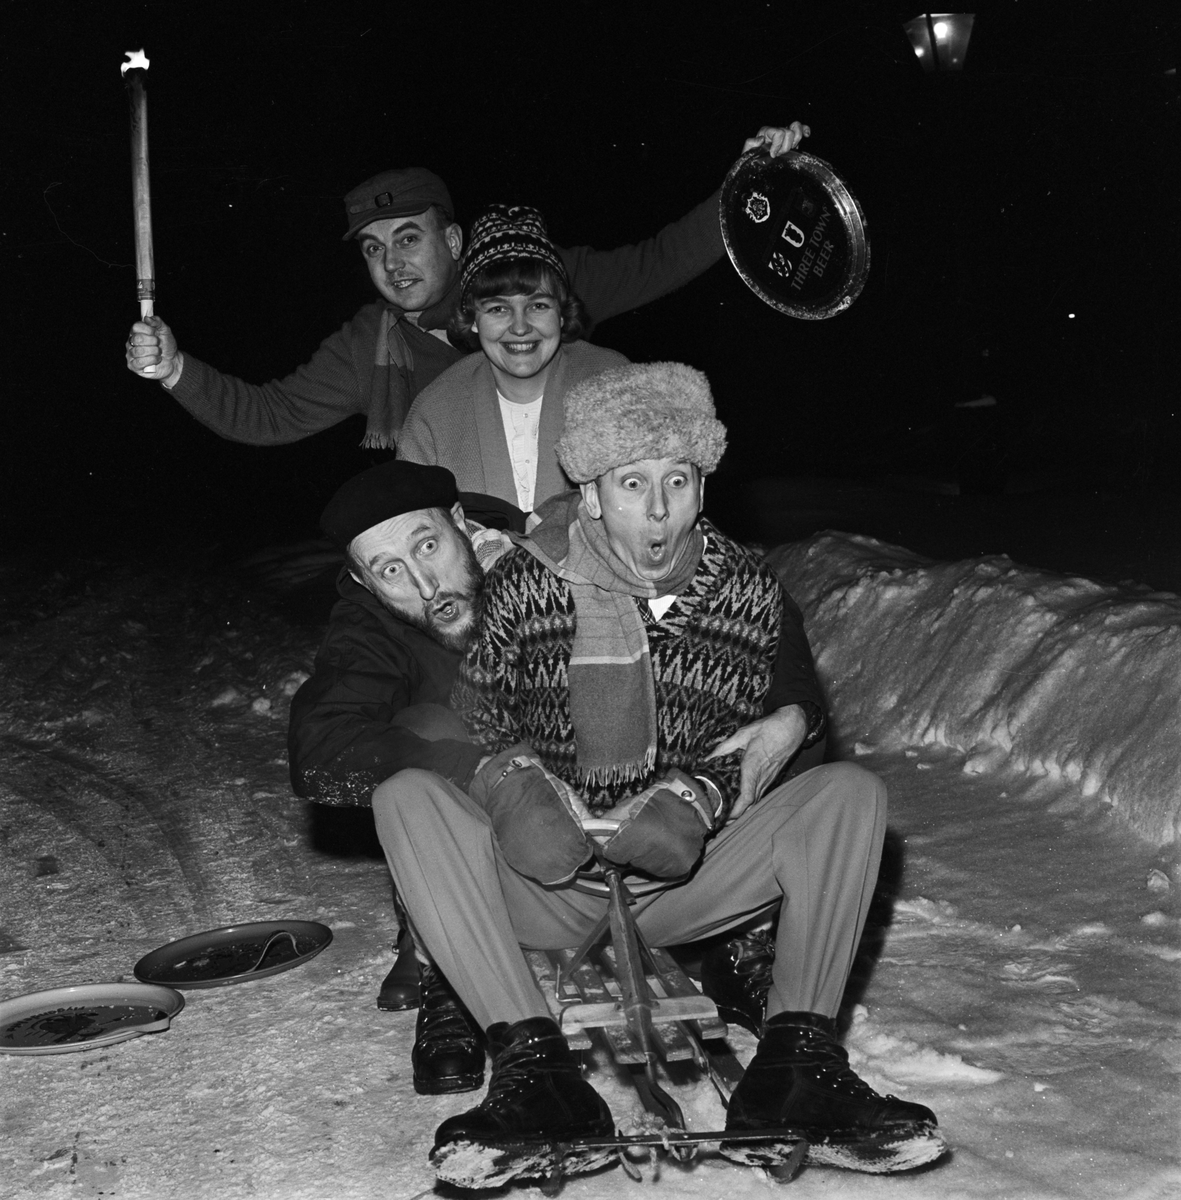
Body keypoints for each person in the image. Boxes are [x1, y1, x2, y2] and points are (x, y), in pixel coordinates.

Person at [372, 363, 946, 1188]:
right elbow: (466, 719)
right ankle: (537, 1079)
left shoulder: (746, 593)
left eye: (676, 481)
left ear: (701, 487)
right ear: (593, 494)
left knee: (852, 796)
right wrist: (513, 780)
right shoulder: (525, 583)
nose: (655, 508)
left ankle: (793, 1069)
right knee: (408, 799)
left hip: (682, 879)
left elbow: (757, 740)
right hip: (550, 877)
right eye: (630, 483)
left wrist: (699, 790)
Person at [123, 124, 809, 451]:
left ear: (452, 242)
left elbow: (662, 259)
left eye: (408, 238)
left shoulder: (536, 285)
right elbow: (266, 416)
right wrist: (176, 368)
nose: (391, 264)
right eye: (373, 248)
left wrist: (740, 187)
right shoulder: (370, 343)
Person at [396, 203, 627, 522]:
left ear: (561, 313)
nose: (520, 327)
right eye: (498, 309)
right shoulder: (434, 413)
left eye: (538, 305)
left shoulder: (616, 385)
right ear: (473, 319)